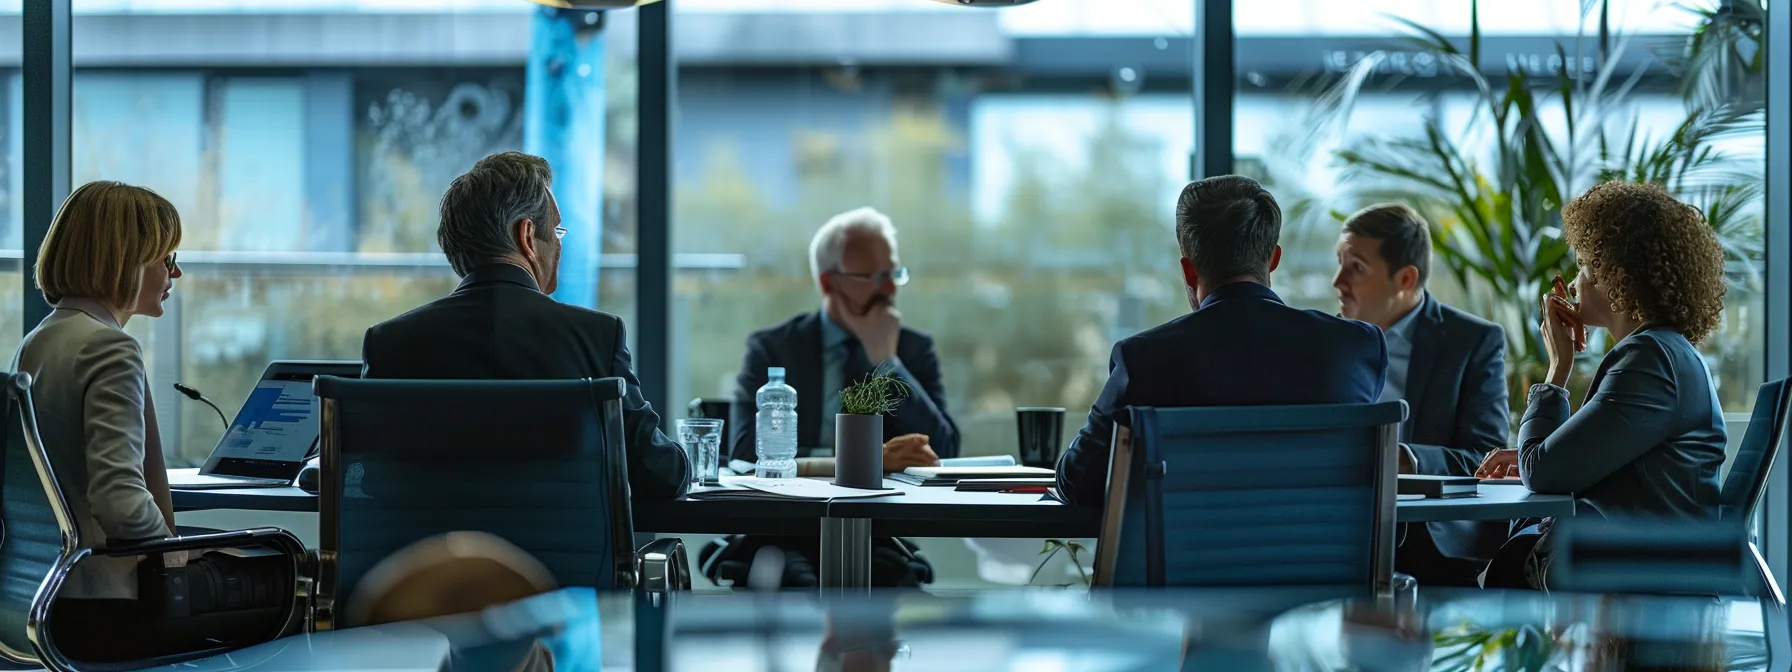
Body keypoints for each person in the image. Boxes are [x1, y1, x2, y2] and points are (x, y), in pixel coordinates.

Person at [15, 181, 292, 661]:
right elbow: (118, 499)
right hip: (112, 608)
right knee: (288, 572)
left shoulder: (39, 341)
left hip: (49, 595)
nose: (175, 272)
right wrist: (176, 555)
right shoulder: (110, 348)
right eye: (166, 259)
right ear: (124, 259)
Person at [360, 151, 687, 500]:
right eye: (557, 231)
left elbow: (363, 475)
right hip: (559, 555)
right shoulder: (596, 338)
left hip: (430, 554)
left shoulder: (389, 343)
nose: (559, 244)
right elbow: (660, 475)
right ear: (528, 236)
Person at [1056, 175, 1388, 507]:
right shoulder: (1357, 349)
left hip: (1183, 559)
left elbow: (1079, 482)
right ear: (1273, 258)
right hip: (1320, 558)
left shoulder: (1143, 360)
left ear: (1188, 270)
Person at [1475, 181, 1727, 590]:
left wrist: (1557, 369)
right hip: (1643, 573)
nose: (1573, 284)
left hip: (1643, 590)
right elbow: (1564, 464)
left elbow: (1542, 473)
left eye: (1584, 265)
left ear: (1618, 277)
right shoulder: (1663, 351)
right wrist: (1534, 456)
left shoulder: (1650, 359)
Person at [1333, 203, 1510, 586]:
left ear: (1406, 279)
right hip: (1338, 530)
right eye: (1340, 263)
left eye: (1356, 268)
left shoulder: (1473, 342)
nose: (1337, 281)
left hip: (1432, 540)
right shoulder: (1324, 341)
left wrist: (1404, 459)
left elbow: (1486, 457)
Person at [726, 206, 956, 472]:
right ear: (829, 283)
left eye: (893, 274)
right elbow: (744, 456)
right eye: (876, 277)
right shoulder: (772, 350)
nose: (890, 288)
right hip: (796, 508)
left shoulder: (914, 349)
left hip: (886, 507)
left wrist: (888, 363)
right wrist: (870, 457)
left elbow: (945, 452)